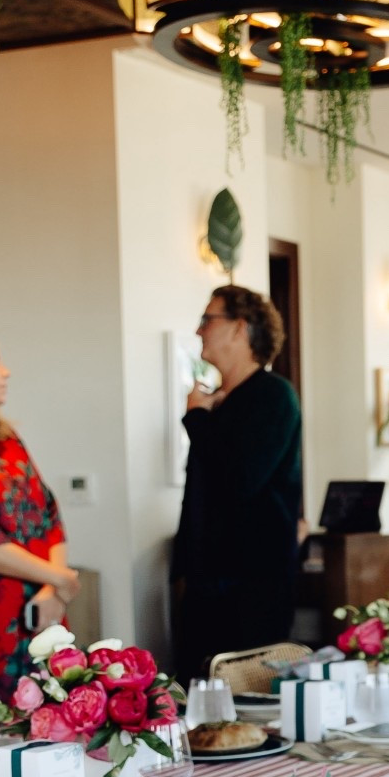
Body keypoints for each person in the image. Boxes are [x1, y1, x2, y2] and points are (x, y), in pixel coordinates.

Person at [171, 284, 302, 681]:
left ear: (239, 328)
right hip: (206, 582)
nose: (198, 331)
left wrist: (196, 418)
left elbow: (240, 480)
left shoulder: (272, 395)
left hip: (251, 586)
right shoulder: (224, 402)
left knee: (247, 708)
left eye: (208, 320)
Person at [0, 332, 80, 708]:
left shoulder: (6, 440)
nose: (5, 371)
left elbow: (48, 513)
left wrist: (53, 592)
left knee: (53, 719)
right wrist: (59, 578)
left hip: (41, 610)